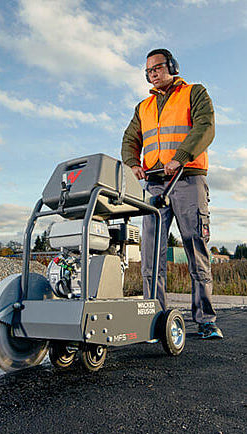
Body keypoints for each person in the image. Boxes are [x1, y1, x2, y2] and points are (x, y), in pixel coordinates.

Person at [121, 48, 223, 339]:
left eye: (157, 67)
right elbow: (130, 139)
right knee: (151, 255)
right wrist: (132, 164)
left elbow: (206, 127)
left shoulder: (194, 92)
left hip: (188, 179)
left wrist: (181, 155)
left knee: (195, 247)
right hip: (154, 185)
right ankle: (155, 321)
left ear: (173, 66)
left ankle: (205, 320)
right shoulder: (144, 107)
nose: (152, 73)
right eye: (148, 71)